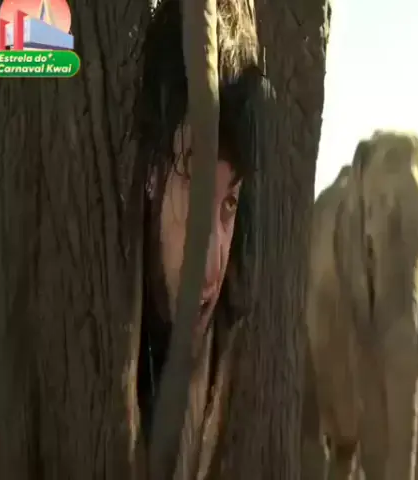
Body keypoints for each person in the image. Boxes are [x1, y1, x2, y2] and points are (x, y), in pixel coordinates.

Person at [136, 0, 269, 476]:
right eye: (194, 189)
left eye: (229, 204)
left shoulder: (234, 355)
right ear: (150, 173)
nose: (213, 265)